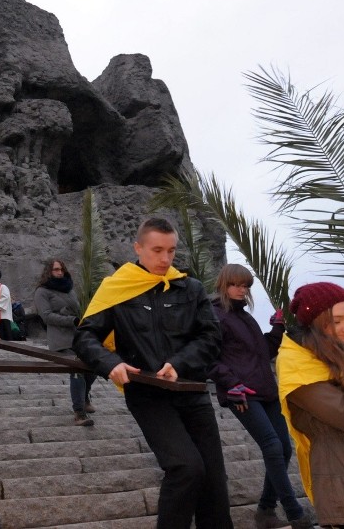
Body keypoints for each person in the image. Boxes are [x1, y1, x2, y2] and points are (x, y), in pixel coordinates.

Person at [73, 217, 232, 529]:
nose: (165, 259)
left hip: (191, 390)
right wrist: (110, 364)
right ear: (138, 248)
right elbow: (85, 337)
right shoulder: (116, 289)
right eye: (157, 250)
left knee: (214, 480)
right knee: (186, 468)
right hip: (147, 395)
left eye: (171, 251)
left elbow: (211, 337)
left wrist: (180, 363)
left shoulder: (191, 288)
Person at [209, 264, 313, 529]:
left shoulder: (245, 317)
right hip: (242, 393)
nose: (242, 290)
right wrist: (231, 384)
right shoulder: (214, 316)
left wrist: (277, 329)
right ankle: (293, 512)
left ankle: (266, 510)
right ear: (224, 284)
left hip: (265, 390)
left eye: (245, 286)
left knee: (284, 447)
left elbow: (263, 355)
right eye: (236, 285)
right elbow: (208, 357)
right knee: (272, 445)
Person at [277, 282, 344, 528]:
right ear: (317, 321)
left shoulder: (338, 355)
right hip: (342, 486)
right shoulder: (298, 365)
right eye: (337, 320)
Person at [34, 259, 95, 426]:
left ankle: (85, 396)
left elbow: (78, 309)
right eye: (55, 270)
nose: (59, 273)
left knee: (96, 364)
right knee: (77, 368)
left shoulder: (69, 289)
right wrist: (71, 319)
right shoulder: (42, 292)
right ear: (49, 271)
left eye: (61, 269)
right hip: (60, 340)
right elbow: (46, 316)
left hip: (79, 337)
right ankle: (79, 413)